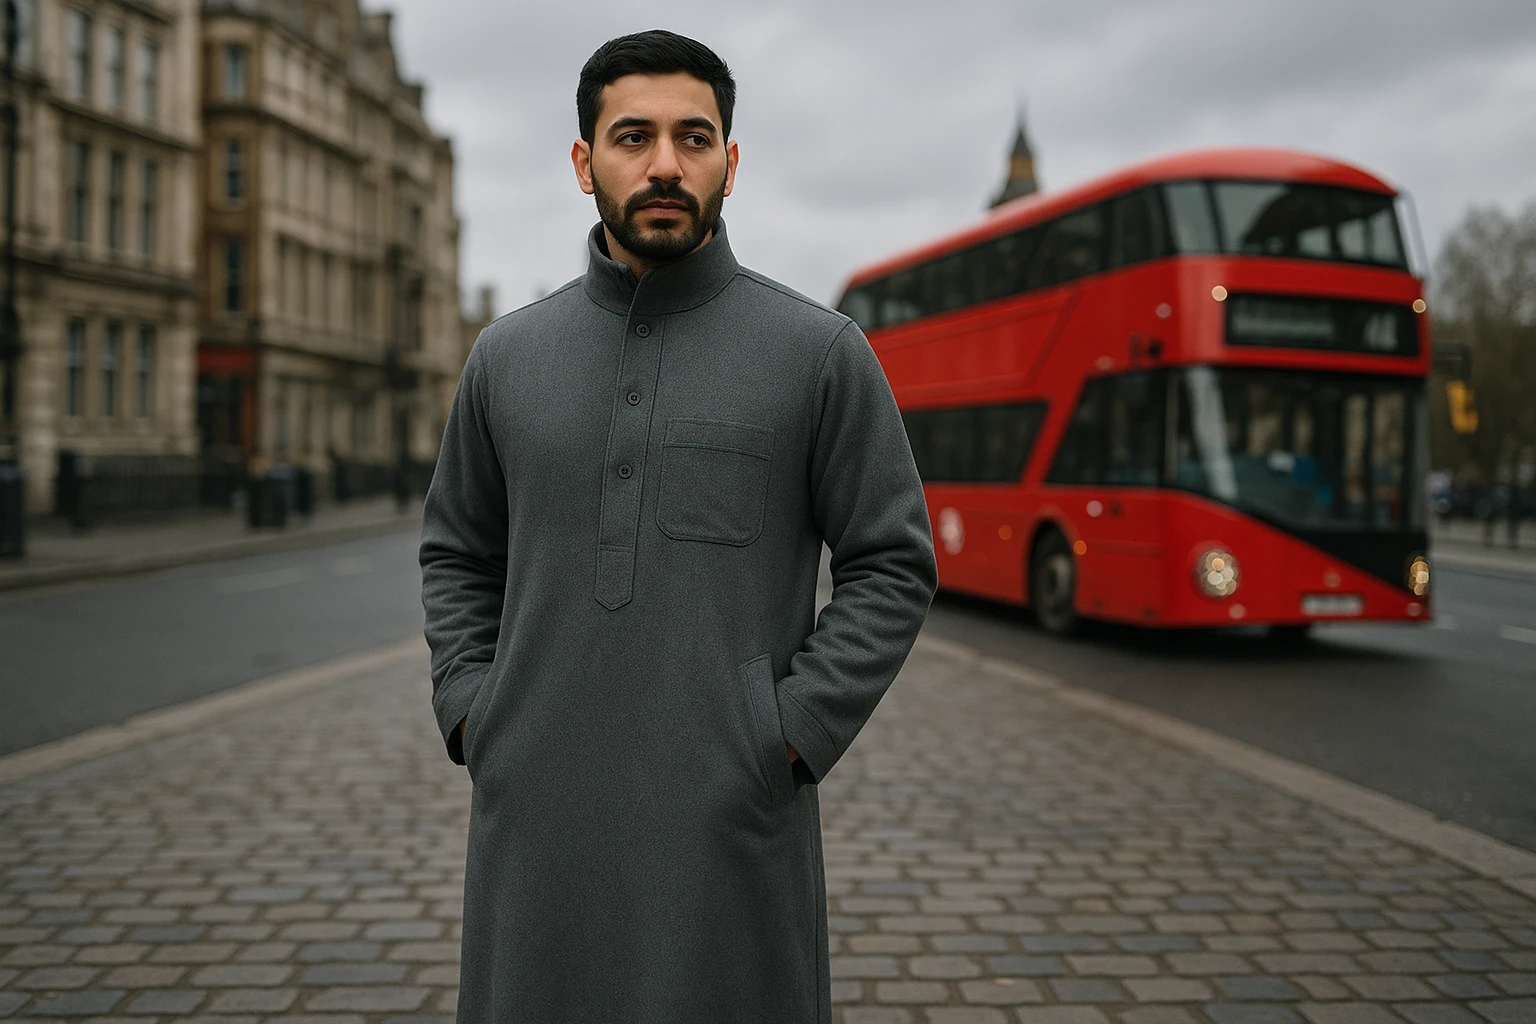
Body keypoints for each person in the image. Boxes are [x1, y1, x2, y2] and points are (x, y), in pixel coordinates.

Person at [419, 29, 937, 1024]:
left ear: (730, 162)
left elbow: (891, 562)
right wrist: (474, 708)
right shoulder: (505, 357)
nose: (665, 163)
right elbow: (457, 551)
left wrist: (785, 734)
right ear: (584, 163)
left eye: (694, 138)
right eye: (633, 136)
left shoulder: (818, 352)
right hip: (536, 824)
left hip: (728, 826)